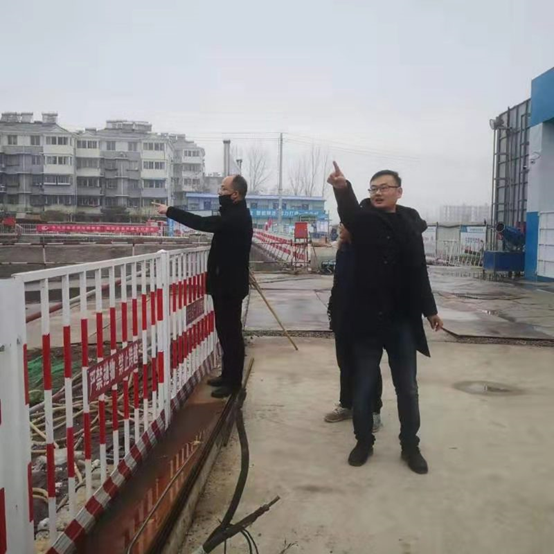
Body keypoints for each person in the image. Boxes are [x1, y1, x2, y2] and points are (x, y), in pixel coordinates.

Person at [327, 163, 443, 474]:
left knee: (408, 388)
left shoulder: (410, 226)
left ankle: (410, 446)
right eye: (373, 188)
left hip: (402, 321)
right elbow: (350, 213)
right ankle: (363, 442)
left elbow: (419, 271)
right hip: (367, 321)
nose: (378, 193)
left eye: (384, 188)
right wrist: (342, 188)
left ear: (398, 192)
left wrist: (430, 310)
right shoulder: (364, 221)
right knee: (363, 387)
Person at [153, 175, 253, 398]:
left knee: (231, 334)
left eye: (223, 189)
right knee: (225, 332)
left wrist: (170, 211)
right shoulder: (233, 214)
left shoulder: (235, 217)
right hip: (225, 284)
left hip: (230, 286)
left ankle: (233, 382)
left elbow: (201, 223)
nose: (219, 192)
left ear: (235, 194)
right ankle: (227, 375)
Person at [325, 223, 383, 433]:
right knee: (345, 363)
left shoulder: (368, 252)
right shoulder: (343, 250)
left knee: (368, 366)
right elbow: (338, 284)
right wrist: (334, 313)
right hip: (343, 316)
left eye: (345, 224)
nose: (340, 228)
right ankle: (346, 404)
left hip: (365, 318)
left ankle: (374, 411)